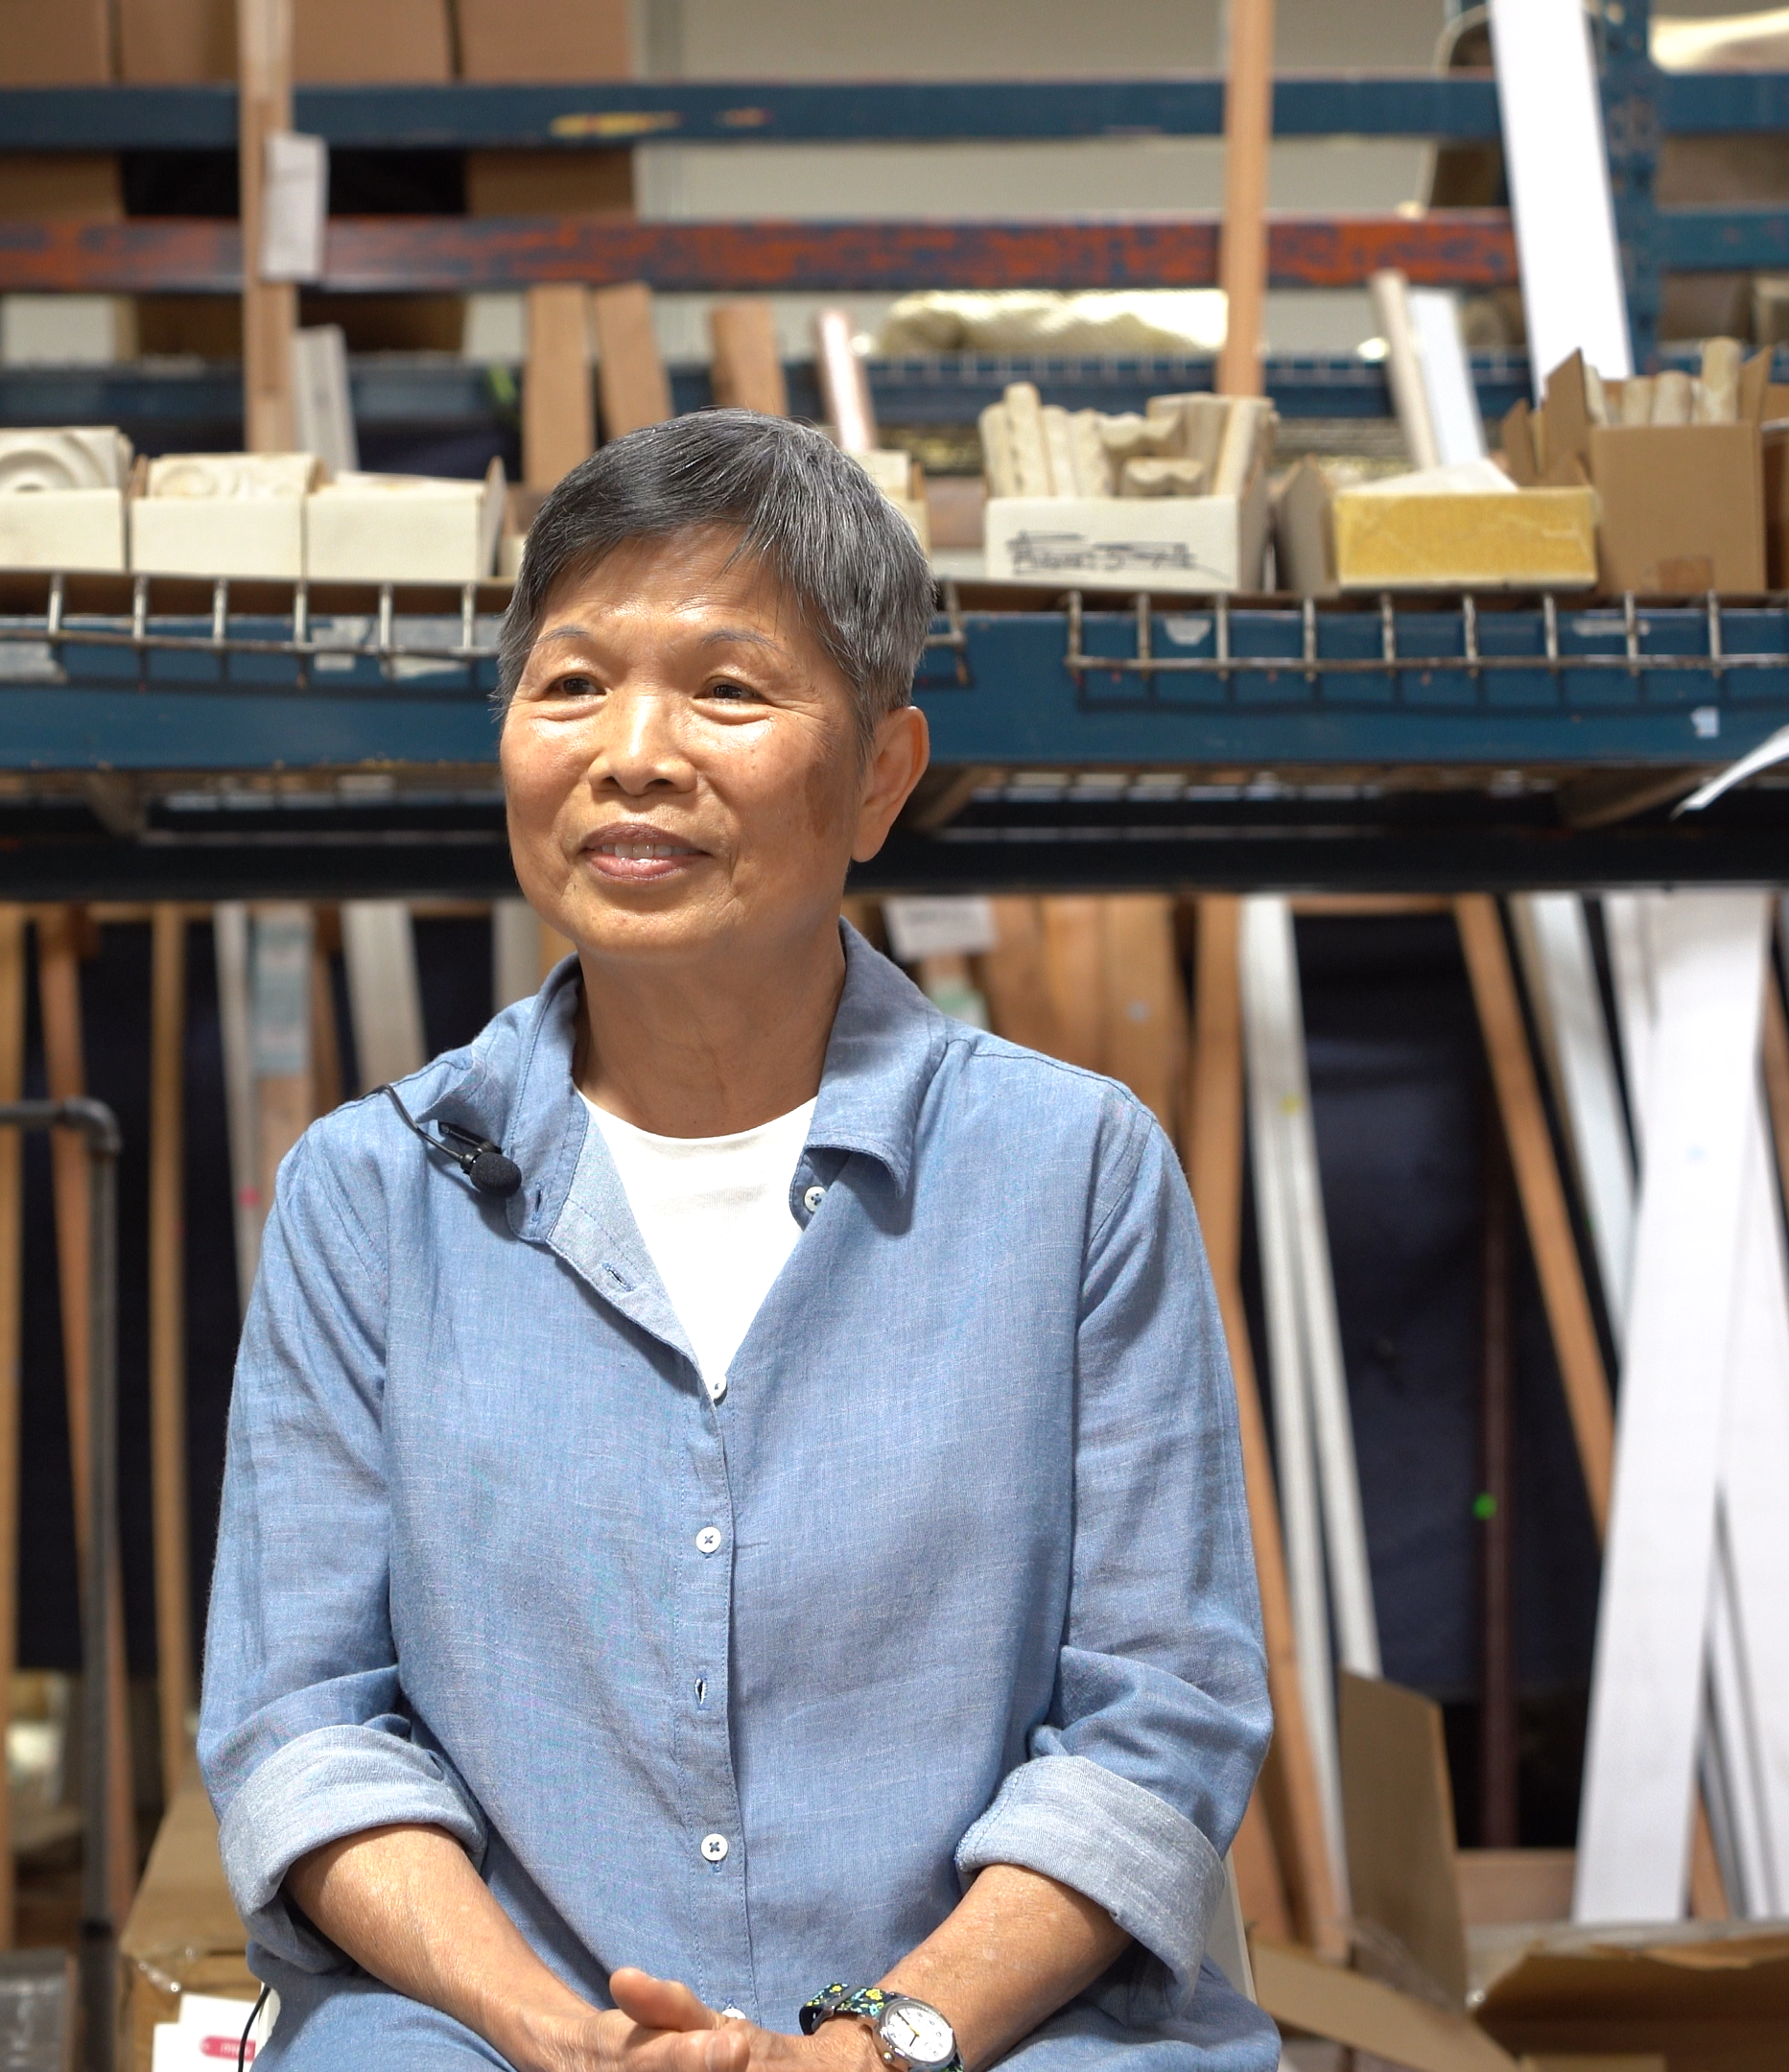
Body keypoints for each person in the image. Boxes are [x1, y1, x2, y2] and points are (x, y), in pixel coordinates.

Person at [199, 410, 1275, 2071]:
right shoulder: (372, 1193)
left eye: (726, 688)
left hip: (977, 2028)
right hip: (503, 2026)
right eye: (571, 685)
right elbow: (304, 1727)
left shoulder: (1070, 1173)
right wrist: (548, 2033)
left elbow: (1162, 1717)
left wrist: (877, 2043)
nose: (634, 751)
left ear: (881, 776)